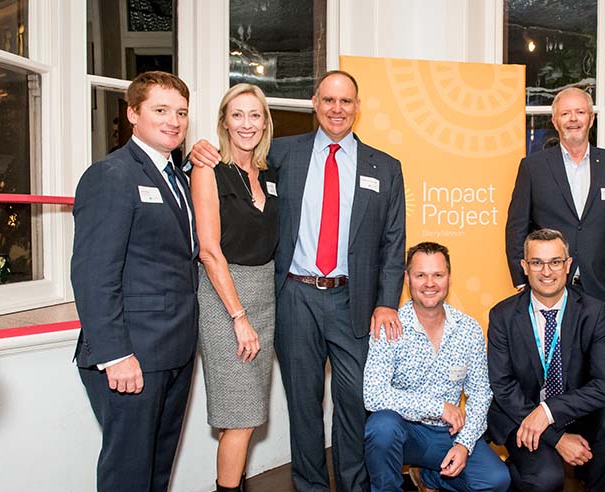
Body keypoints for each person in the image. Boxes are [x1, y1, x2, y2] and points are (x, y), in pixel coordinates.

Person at [188, 70, 406, 492]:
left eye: (345, 101)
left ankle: (353, 485)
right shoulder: (282, 153)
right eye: (329, 100)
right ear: (314, 103)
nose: (337, 109)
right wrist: (196, 152)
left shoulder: (385, 167)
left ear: (357, 107)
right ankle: (310, 486)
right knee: (302, 403)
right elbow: (231, 163)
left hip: (354, 300)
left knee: (353, 400)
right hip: (294, 297)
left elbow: (394, 241)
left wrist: (387, 302)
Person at [71, 71, 197, 492]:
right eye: (160, 110)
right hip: (132, 356)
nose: (173, 121)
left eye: (181, 112)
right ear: (132, 114)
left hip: (174, 350)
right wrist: (115, 354)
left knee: (156, 472)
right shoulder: (112, 175)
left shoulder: (177, 178)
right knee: (127, 475)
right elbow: (93, 274)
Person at [487, 229, 605, 492]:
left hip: (574, 411)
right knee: (546, 479)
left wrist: (549, 411)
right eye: (537, 262)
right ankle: (518, 476)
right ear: (524, 267)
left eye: (555, 262)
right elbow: (503, 387)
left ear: (568, 265)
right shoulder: (503, 316)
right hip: (523, 414)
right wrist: (557, 438)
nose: (546, 272)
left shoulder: (593, 312)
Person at [363, 242, 510, 492]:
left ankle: (429, 476)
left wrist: (464, 444)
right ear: (407, 279)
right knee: (381, 427)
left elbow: (480, 393)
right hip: (405, 432)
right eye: (421, 275)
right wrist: (437, 407)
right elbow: (373, 394)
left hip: (448, 435)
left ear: (449, 278)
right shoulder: (388, 326)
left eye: (438, 275)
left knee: (496, 481)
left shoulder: (468, 329)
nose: (429, 284)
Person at [191, 83, 279, 492]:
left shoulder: (270, 173)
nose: (247, 124)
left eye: (254, 115)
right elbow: (210, 251)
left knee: (248, 415)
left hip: (264, 295)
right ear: (224, 122)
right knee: (240, 417)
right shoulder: (208, 169)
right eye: (237, 115)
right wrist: (238, 317)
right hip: (225, 298)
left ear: (265, 123)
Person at [506, 87, 605, 324]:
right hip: (547, 286)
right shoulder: (533, 167)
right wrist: (522, 280)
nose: (573, 119)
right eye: (565, 114)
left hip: (601, 288)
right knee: (551, 347)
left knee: (599, 349)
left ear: (591, 119)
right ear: (555, 121)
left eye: (580, 112)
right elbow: (516, 228)